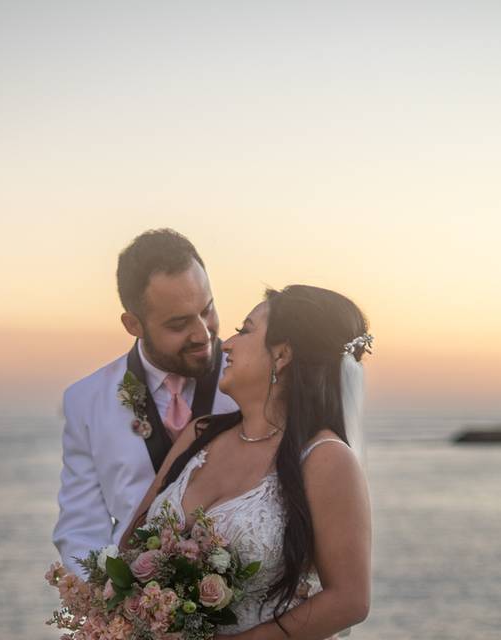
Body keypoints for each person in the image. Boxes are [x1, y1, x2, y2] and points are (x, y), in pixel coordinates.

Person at [121, 285, 372, 638]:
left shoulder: (325, 458)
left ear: (282, 355)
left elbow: (349, 600)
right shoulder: (199, 434)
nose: (226, 344)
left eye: (246, 330)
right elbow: (130, 544)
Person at [54, 229, 237, 575]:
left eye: (207, 309)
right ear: (133, 324)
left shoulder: (254, 378)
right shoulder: (85, 401)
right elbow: (80, 529)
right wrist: (117, 608)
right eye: (179, 323)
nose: (202, 334)